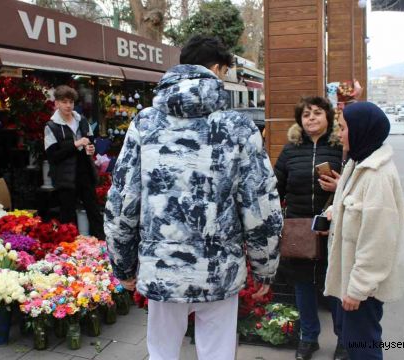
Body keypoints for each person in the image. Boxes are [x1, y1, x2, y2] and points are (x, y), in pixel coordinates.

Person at [104, 35, 282, 360]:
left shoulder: (145, 123)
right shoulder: (238, 127)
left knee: (161, 352)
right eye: (225, 72)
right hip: (219, 267)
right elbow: (261, 207)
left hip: (162, 266)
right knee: (217, 352)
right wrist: (264, 267)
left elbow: (122, 202)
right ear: (216, 69)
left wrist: (123, 265)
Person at [324, 102, 404, 360]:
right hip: (349, 276)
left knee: (364, 347)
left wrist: (358, 289)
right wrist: (332, 216)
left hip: (362, 285)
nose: (339, 134)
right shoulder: (358, 163)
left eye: (343, 128)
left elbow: (379, 240)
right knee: (353, 340)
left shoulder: (376, 175)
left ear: (361, 129)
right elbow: (354, 209)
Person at [274, 96, 347, 360]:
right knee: (303, 283)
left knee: (334, 283)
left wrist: (340, 187)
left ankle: (343, 340)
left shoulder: (341, 148)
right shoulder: (291, 150)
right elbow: (276, 186)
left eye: (317, 113)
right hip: (299, 226)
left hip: (334, 225)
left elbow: (359, 187)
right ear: (299, 120)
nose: (311, 118)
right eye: (306, 114)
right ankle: (308, 337)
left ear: (328, 117)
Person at [44, 85, 105, 239]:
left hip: (84, 172)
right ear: (56, 103)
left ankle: (101, 244)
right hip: (65, 177)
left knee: (94, 211)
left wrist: (90, 148)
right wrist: (75, 144)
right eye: (64, 102)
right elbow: (52, 156)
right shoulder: (51, 126)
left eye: (71, 102)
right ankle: (71, 250)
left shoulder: (81, 120)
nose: (68, 105)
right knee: (68, 216)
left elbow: (90, 142)